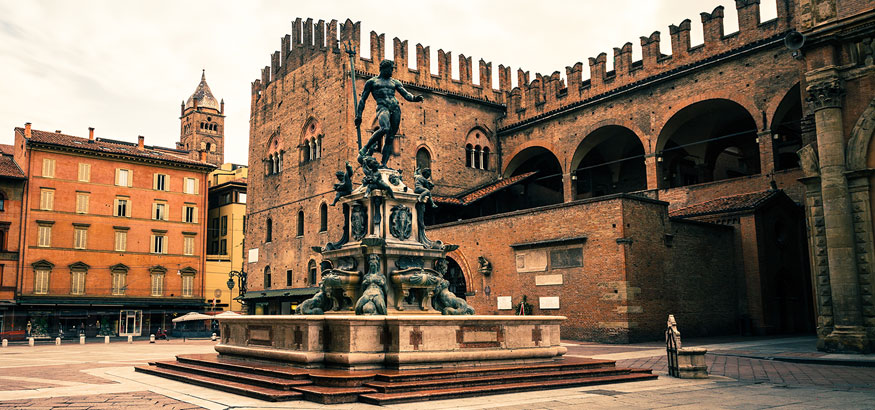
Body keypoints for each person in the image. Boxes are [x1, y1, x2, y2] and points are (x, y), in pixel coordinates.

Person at [355, 59, 424, 167]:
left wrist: (415, 98)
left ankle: (384, 164)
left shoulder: (395, 82)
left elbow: (406, 95)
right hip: (382, 107)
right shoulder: (372, 82)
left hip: (395, 108)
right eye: (390, 69)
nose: (392, 71)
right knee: (384, 128)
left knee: (390, 137)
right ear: (384, 68)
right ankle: (365, 148)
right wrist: (359, 115)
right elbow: (362, 99)